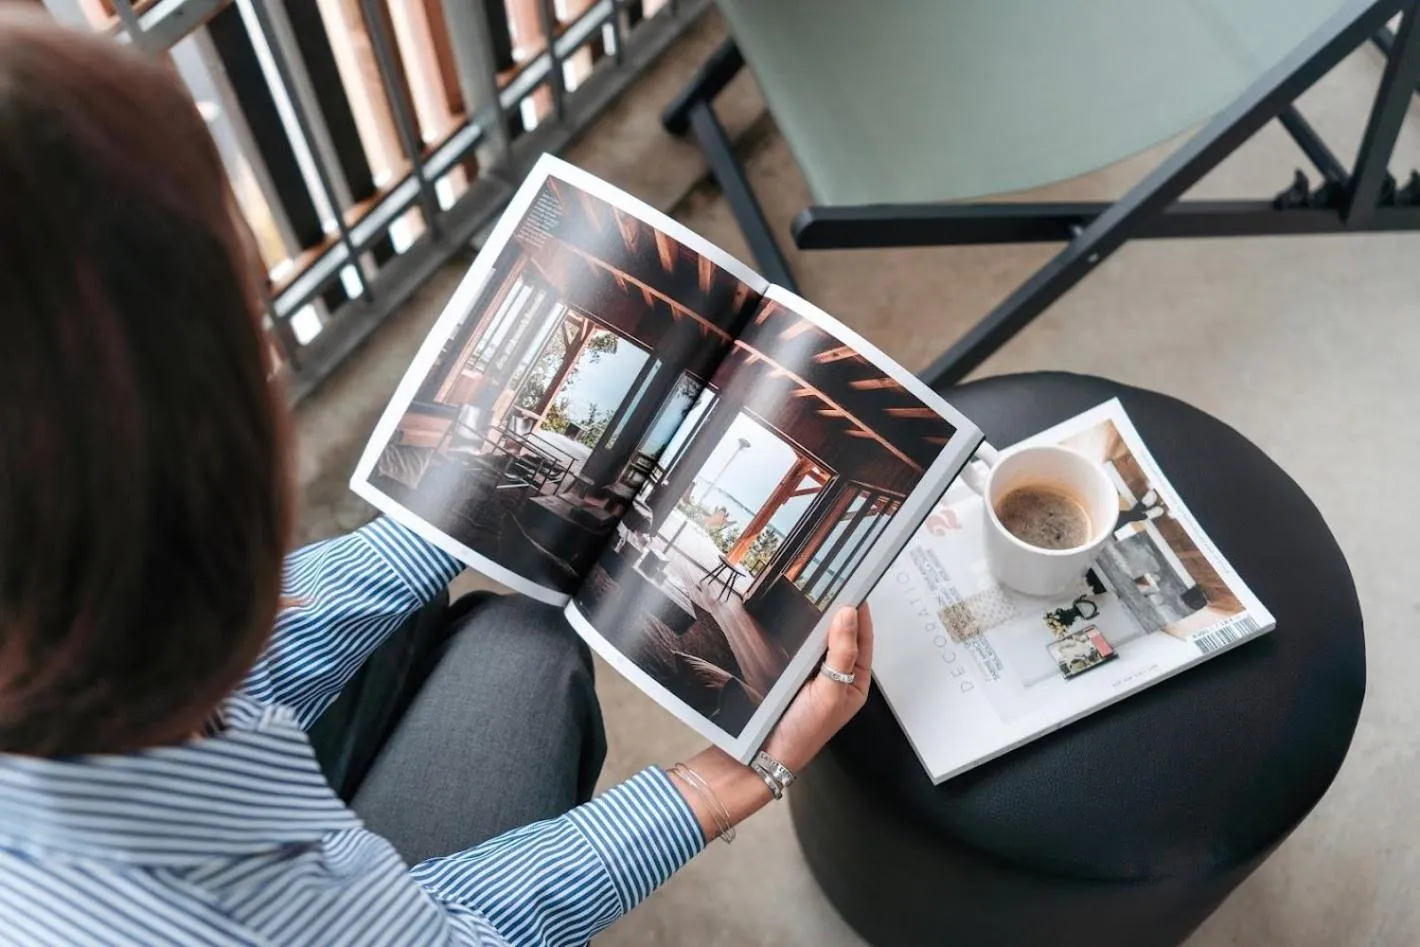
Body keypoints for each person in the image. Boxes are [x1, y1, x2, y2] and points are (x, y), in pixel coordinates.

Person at [0, 9, 874, 945]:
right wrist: (725, 782)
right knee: (524, 648)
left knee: (493, 620)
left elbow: (234, 689)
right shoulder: (206, 912)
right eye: (245, 339)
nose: (267, 359)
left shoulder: (54, 639)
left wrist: (447, 517)